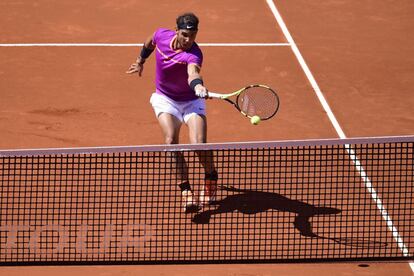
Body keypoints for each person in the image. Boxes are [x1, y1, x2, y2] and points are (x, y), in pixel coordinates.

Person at [126, 12, 218, 213]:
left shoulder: (194, 54)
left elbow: (193, 72)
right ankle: (186, 191)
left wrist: (198, 86)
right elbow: (149, 42)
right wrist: (140, 60)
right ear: (176, 30)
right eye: (185, 34)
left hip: (192, 100)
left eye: (192, 36)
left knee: (199, 145)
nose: (188, 40)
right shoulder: (161, 35)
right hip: (166, 99)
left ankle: (211, 176)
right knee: (170, 140)